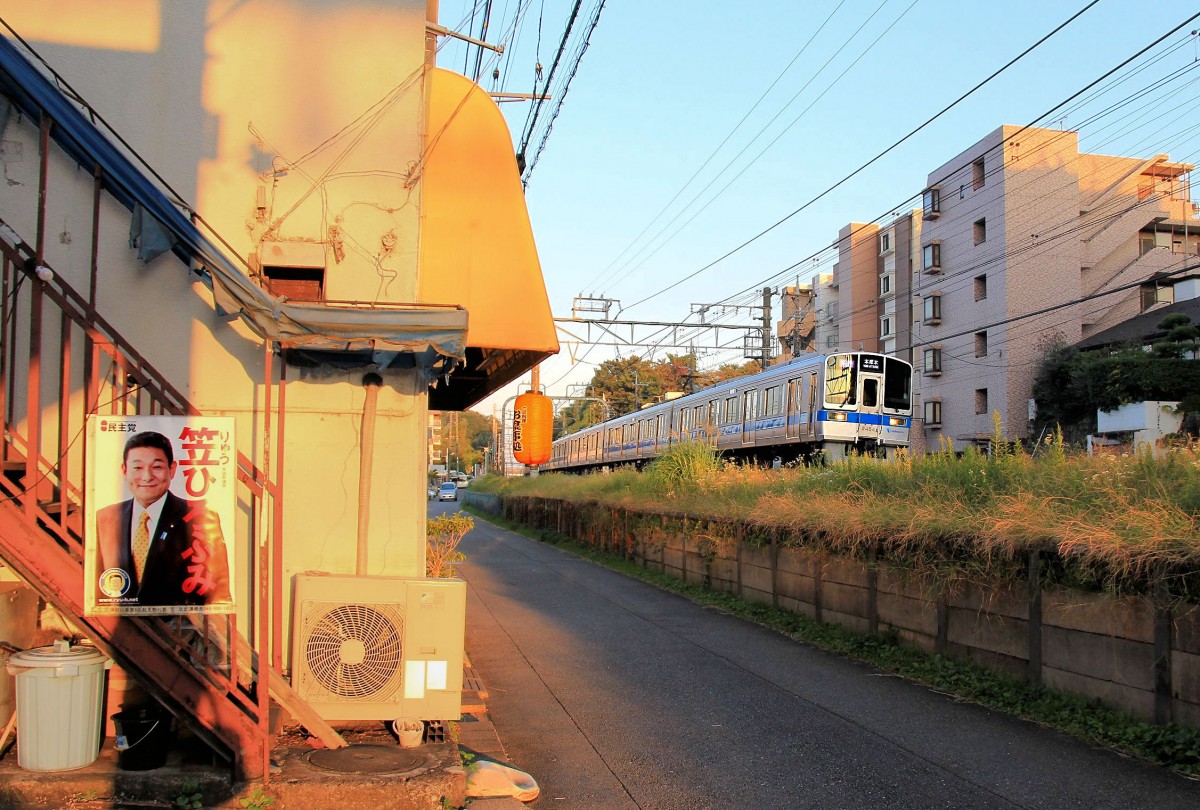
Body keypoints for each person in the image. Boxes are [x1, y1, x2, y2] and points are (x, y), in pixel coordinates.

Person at [94, 431, 232, 607]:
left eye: (157, 467)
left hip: (176, 631)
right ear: (124, 470)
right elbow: (96, 587)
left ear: (172, 469)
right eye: (137, 467)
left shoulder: (200, 518)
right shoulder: (105, 518)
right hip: (119, 629)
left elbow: (217, 594)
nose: (147, 476)